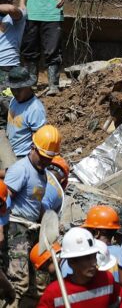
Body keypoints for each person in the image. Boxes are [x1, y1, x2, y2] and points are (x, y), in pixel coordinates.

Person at [4, 124, 60, 304]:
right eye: (43, 157)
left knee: (39, 282)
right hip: (16, 228)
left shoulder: (41, 173)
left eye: (49, 159)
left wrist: (49, 222)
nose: (45, 162)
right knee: (18, 281)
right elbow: (4, 198)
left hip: (32, 229)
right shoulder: (21, 169)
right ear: (32, 147)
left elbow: (35, 203)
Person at [38, 228, 122, 308]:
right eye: (87, 259)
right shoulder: (54, 292)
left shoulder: (106, 279)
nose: (94, 263)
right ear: (71, 262)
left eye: (94, 256)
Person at [5, 66, 46, 157]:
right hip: (8, 151)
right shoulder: (13, 101)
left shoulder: (35, 109)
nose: (15, 93)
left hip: (22, 156)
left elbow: (39, 142)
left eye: (19, 89)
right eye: (12, 89)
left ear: (28, 86)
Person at [0, 0, 26, 84]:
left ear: (9, 1)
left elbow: (11, 9)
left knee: (5, 99)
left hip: (8, 66)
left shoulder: (19, 14)